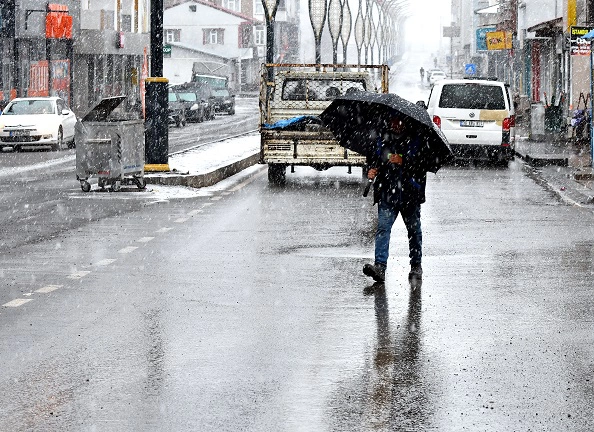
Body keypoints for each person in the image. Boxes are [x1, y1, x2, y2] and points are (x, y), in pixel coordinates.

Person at [363, 116, 426, 283]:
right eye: (393, 121)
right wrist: (371, 170)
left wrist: (404, 160)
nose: (396, 124)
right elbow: (374, 160)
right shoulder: (381, 139)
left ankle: (416, 265)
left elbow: (422, 163)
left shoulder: (416, 139)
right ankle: (380, 267)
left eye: (399, 121)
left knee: (414, 231)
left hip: (410, 194)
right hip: (387, 193)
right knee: (383, 229)